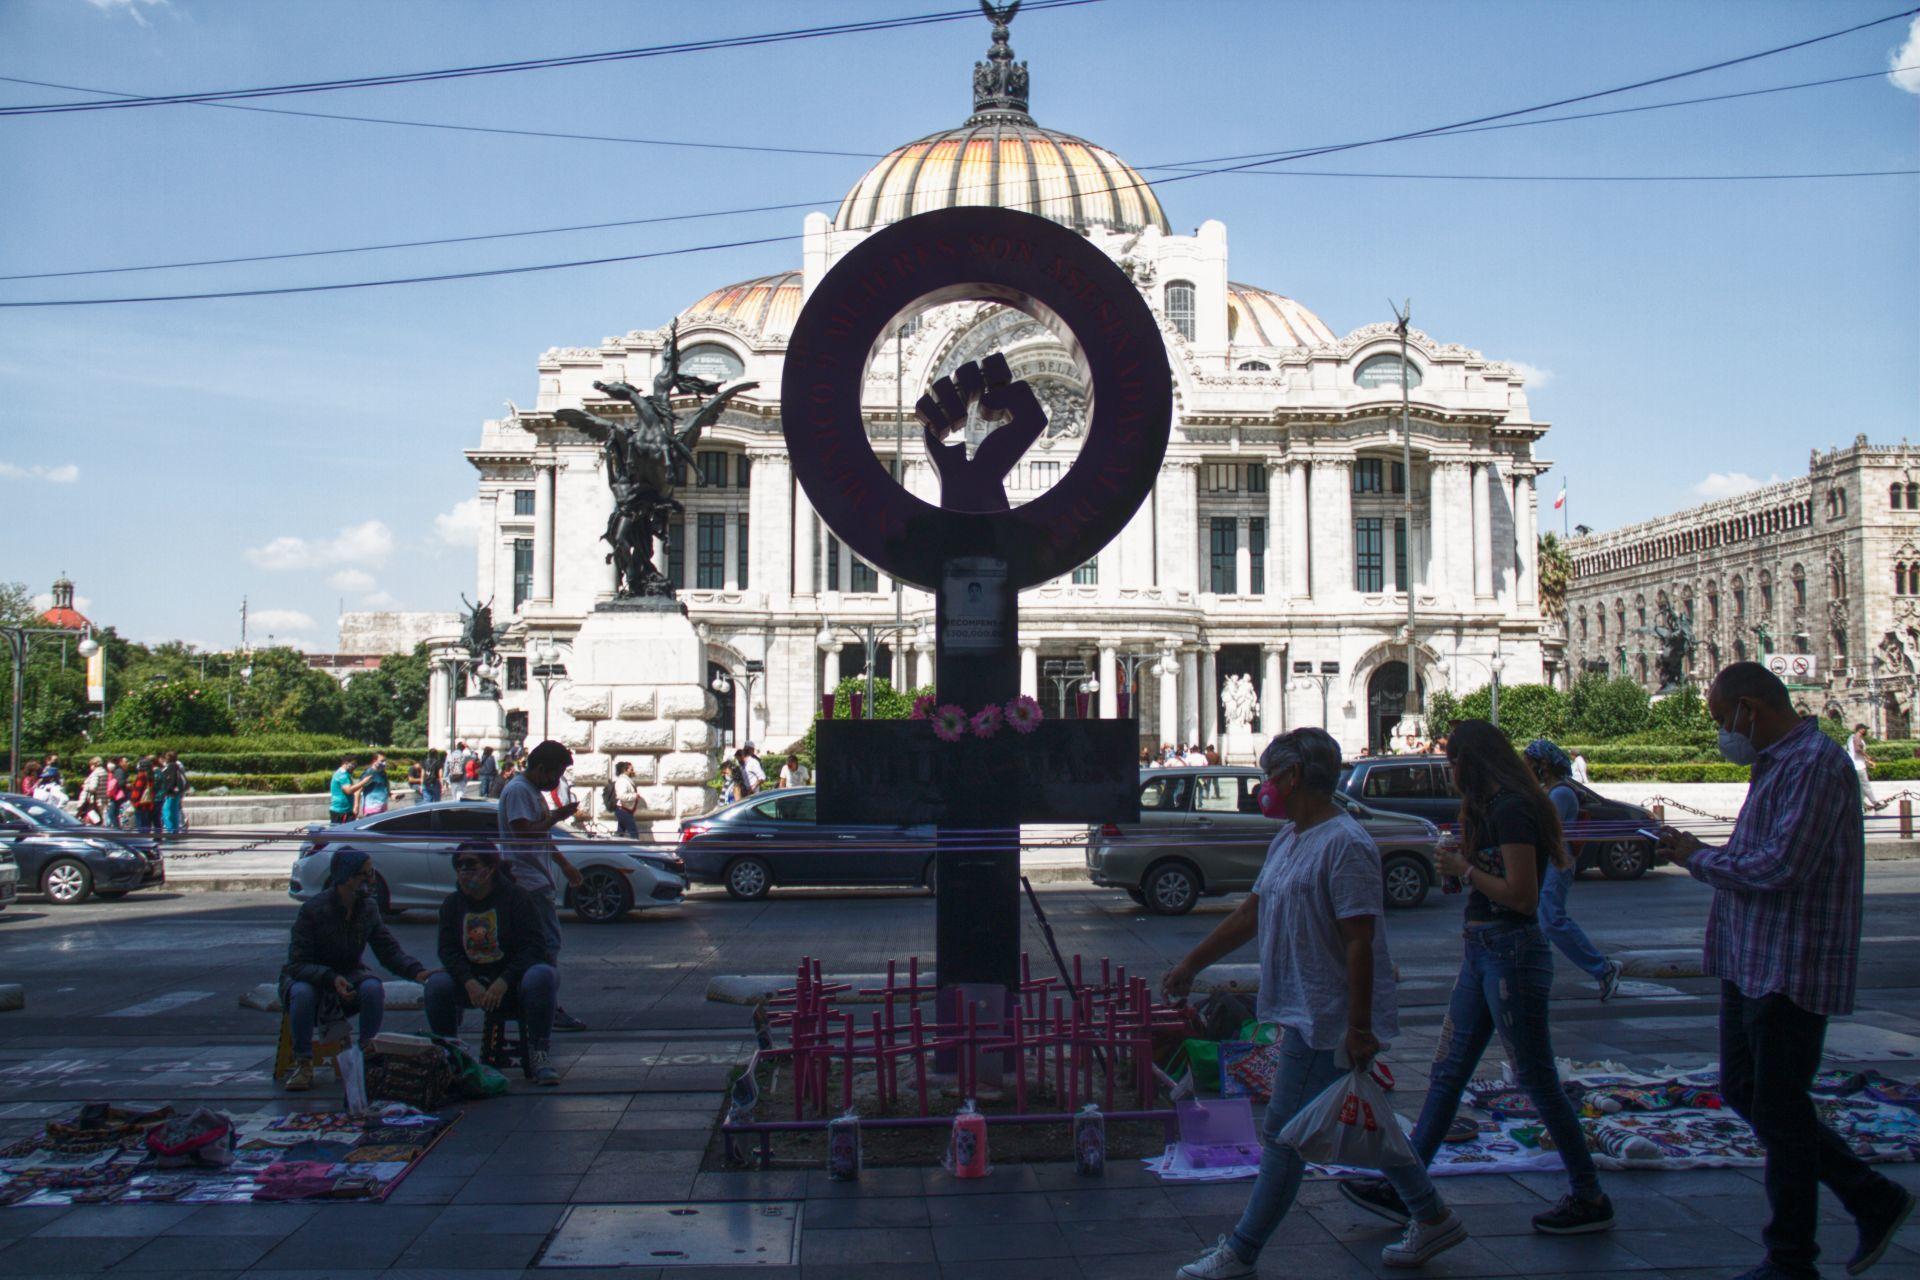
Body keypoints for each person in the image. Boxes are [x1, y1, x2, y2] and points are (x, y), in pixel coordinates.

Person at [1163, 729, 1467, 1277]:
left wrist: (1359, 1027)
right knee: (1368, 1122)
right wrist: (1192, 964)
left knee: (1284, 1135)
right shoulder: (1289, 838)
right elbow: (1251, 914)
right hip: (1301, 1007)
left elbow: (1359, 941)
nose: (1263, 787)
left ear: (1294, 777)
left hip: (1329, 1016)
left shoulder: (1345, 843)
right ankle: (1432, 1215)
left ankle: (1242, 1251)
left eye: (1268, 777)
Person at [1656, 664, 1914, 1280]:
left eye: (1723, 720)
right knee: (1750, 1092)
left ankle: (1795, 1254)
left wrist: (1699, 860)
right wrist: (1703, 853)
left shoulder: (1815, 766)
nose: (1723, 734)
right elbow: (1757, 853)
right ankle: (1867, 1199)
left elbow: (1781, 867)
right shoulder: (1774, 764)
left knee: (1777, 1107)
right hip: (1751, 959)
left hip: (1793, 962)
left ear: (1750, 708)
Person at [1341, 720, 1615, 1237]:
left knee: (1536, 1078)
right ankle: (1409, 1189)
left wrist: (1466, 869)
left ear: (1473, 761)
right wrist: (1459, 868)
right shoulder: (1488, 808)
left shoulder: (1513, 809)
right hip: (1482, 949)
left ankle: (1589, 1194)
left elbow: (1523, 896)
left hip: (1512, 953)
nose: (1449, 771)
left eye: (1452, 761)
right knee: (1447, 1072)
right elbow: (1491, 881)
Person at [278, 847, 432, 1092]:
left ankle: (367, 1056)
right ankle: (303, 1063)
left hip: (348, 975)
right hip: (310, 978)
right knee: (302, 994)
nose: (372, 880)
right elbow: (297, 963)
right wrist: (330, 978)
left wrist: (416, 971)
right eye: (366, 874)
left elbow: (387, 949)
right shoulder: (313, 910)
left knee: (372, 988)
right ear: (347, 878)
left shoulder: (368, 908)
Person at [425, 840, 560, 1085]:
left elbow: (534, 946)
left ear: (489, 869)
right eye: (459, 866)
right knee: (437, 984)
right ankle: (450, 1054)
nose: (464, 872)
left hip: (513, 979)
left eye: (471, 865)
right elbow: (447, 950)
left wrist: (504, 981)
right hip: (473, 981)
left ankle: (539, 1053)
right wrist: (468, 981)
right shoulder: (452, 904)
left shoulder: (517, 898)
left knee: (542, 975)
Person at [1523, 739, 1624, 1001]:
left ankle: (1603, 968)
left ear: (1544, 765)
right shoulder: (1549, 791)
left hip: (1558, 862)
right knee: (1540, 924)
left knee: (1552, 919)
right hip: (1547, 862)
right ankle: (1536, 979)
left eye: (1531, 763)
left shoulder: (1561, 793)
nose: (1527, 767)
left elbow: (1544, 828)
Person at [499, 740, 587, 1033]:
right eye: (556, 773)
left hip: (536, 878)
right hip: (526, 881)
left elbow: (541, 836)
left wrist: (564, 865)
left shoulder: (531, 792)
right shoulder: (519, 791)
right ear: (540, 769)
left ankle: (539, 1001)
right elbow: (524, 832)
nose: (556, 781)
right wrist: (556, 817)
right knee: (546, 944)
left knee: (542, 944)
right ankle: (544, 1004)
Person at [153, 750, 187, 835]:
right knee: (174, 812)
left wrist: (167, 790)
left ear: (169, 758)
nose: (165, 758)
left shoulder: (171, 766)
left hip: (170, 794)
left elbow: (171, 780)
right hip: (175, 793)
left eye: (166, 757)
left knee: (167, 812)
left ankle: (170, 831)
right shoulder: (176, 766)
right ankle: (174, 831)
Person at [327, 756, 367, 825]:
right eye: (353, 764)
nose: (354, 767)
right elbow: (348, 790)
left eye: (355, 764)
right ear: (346, 763)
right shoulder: (343, 775)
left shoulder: (343, 773)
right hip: (341, 811)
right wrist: (363, 782)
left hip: (344, 810)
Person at [1847, 724, 1876, 812]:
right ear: (1860, 729)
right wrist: (1867, 756)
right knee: (1866, 785)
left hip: (1856, 765)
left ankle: (1862, 805)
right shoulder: (1857, 737)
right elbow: (1857, 750)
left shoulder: (1851, 738)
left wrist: (1867, 761)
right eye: (1865, 729)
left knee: (1860, 788)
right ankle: (1875, 803)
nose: (1866, 731)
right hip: (1858, 766)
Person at [610, 762, 641, 838]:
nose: (633, 771)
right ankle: (637, 846)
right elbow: (621, 796)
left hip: (624, 810)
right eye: (631, 769)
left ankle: (614, 845)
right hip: (624, 811)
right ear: (625, 770)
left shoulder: (625, 780)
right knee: (634, 834)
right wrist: (635, 796)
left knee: (620, 834)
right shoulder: (623, 781)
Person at [76, 757, 108, 825]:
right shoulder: (104, 772)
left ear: (94, 765)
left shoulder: (95, 773)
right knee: (101, 815)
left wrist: (85, 786)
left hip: (94, 799)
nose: (90, 767)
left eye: (91, 765)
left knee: (91, 813)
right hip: (103, 797)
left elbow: (93, 787)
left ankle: (97, 825)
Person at [128, 758, 157, 834]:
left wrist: (133, 801)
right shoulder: (151, 775)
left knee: (140, 823)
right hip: (148, 802)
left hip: (140, 803)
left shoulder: (141, 775)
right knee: (146, 822)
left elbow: (138, 789)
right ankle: (147, 837)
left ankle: (143, 838)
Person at [359, 752, 392, 817]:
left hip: (382, 808)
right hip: (372, 809)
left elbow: (384, 789)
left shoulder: (383, 773)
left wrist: (392, 795)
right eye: (382, 761)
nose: (384, 763)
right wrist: (356, 807)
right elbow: (358, 791)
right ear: (374, 761)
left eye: (385, 761)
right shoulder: (369, 773)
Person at [106, 756, 130, 830]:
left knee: (112, 813)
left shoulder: (119, 771)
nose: (128, 763)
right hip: (117, 795)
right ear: (121, 762)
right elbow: (121, 783)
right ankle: (117, 828)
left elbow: (120, 783)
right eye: (126, 762)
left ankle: (117, 829)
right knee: (114, 813)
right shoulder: (120, 771)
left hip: (116, 796)